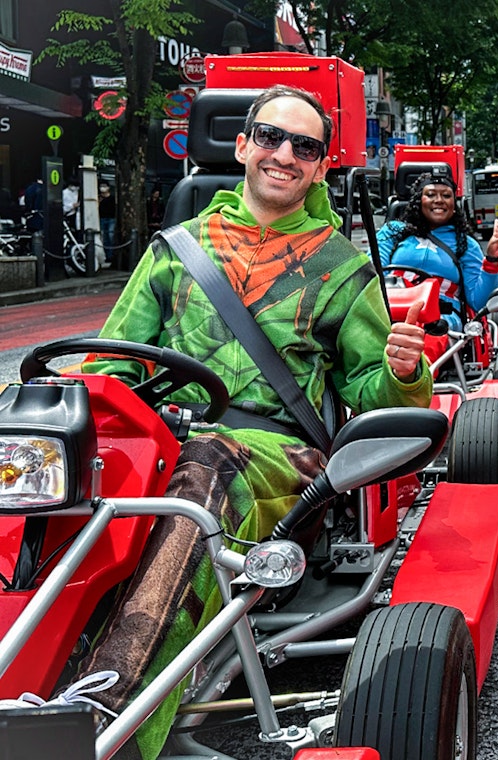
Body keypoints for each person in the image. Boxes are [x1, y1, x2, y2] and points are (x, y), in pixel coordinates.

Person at [79, 84, 433, 759]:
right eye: (271, 137)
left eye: (305, 146)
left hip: (277, 456)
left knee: (204, 468)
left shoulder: (344, 268)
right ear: (243, 146)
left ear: (321, 166)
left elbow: (375, 396)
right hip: (163, 443)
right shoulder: (176, 248)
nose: (284, 154)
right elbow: (108, 368)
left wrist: (404, 370)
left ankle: (109, 721)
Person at [375, 172, 498, 330]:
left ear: (454, 205)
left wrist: (492, 259)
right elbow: (372, 274)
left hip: (441, 319)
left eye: (446, 195)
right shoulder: (392, 232)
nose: (439, 200)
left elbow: (478, 302)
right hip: (392, 308)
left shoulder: (466, 244)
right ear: (418, 201)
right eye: (430, 195)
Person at [98, 182, 116, 262]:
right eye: (101, 186)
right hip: (102, 218)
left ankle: (111, 255)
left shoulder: (112, 198)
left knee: (110, 235)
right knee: (104, 238)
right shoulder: (99, 198)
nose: (102, 188)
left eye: (104, 186)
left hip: (111, 218)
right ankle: (107, 256)